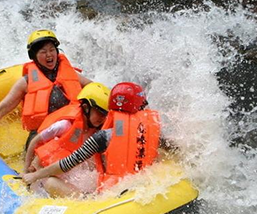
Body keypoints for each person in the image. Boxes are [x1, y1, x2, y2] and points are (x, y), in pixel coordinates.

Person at [23, 82, 161, 197]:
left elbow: (68, 163)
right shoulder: (152, 129)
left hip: (110, 194)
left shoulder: (102, 137)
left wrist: (36, 176)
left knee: (50, 183)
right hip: (142, 185)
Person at [0, 29, 92, 144]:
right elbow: (2, 107)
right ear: (34, 56)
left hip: (70, 130)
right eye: (43, 52)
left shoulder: (70, 75)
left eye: (52, 50)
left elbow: (94, 89)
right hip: (41, 135)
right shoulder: (26, 82)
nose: (49, 55)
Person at [24, 82, 110, 197]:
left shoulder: (100, 133)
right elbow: (35, 141)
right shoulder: (64, 125)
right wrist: (26, 170)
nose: (102, 118)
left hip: (72, 172)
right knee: (51, 183)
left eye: (105, 115)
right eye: (99, 113)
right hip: (48, 173)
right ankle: (86, 201)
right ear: (85, 108)